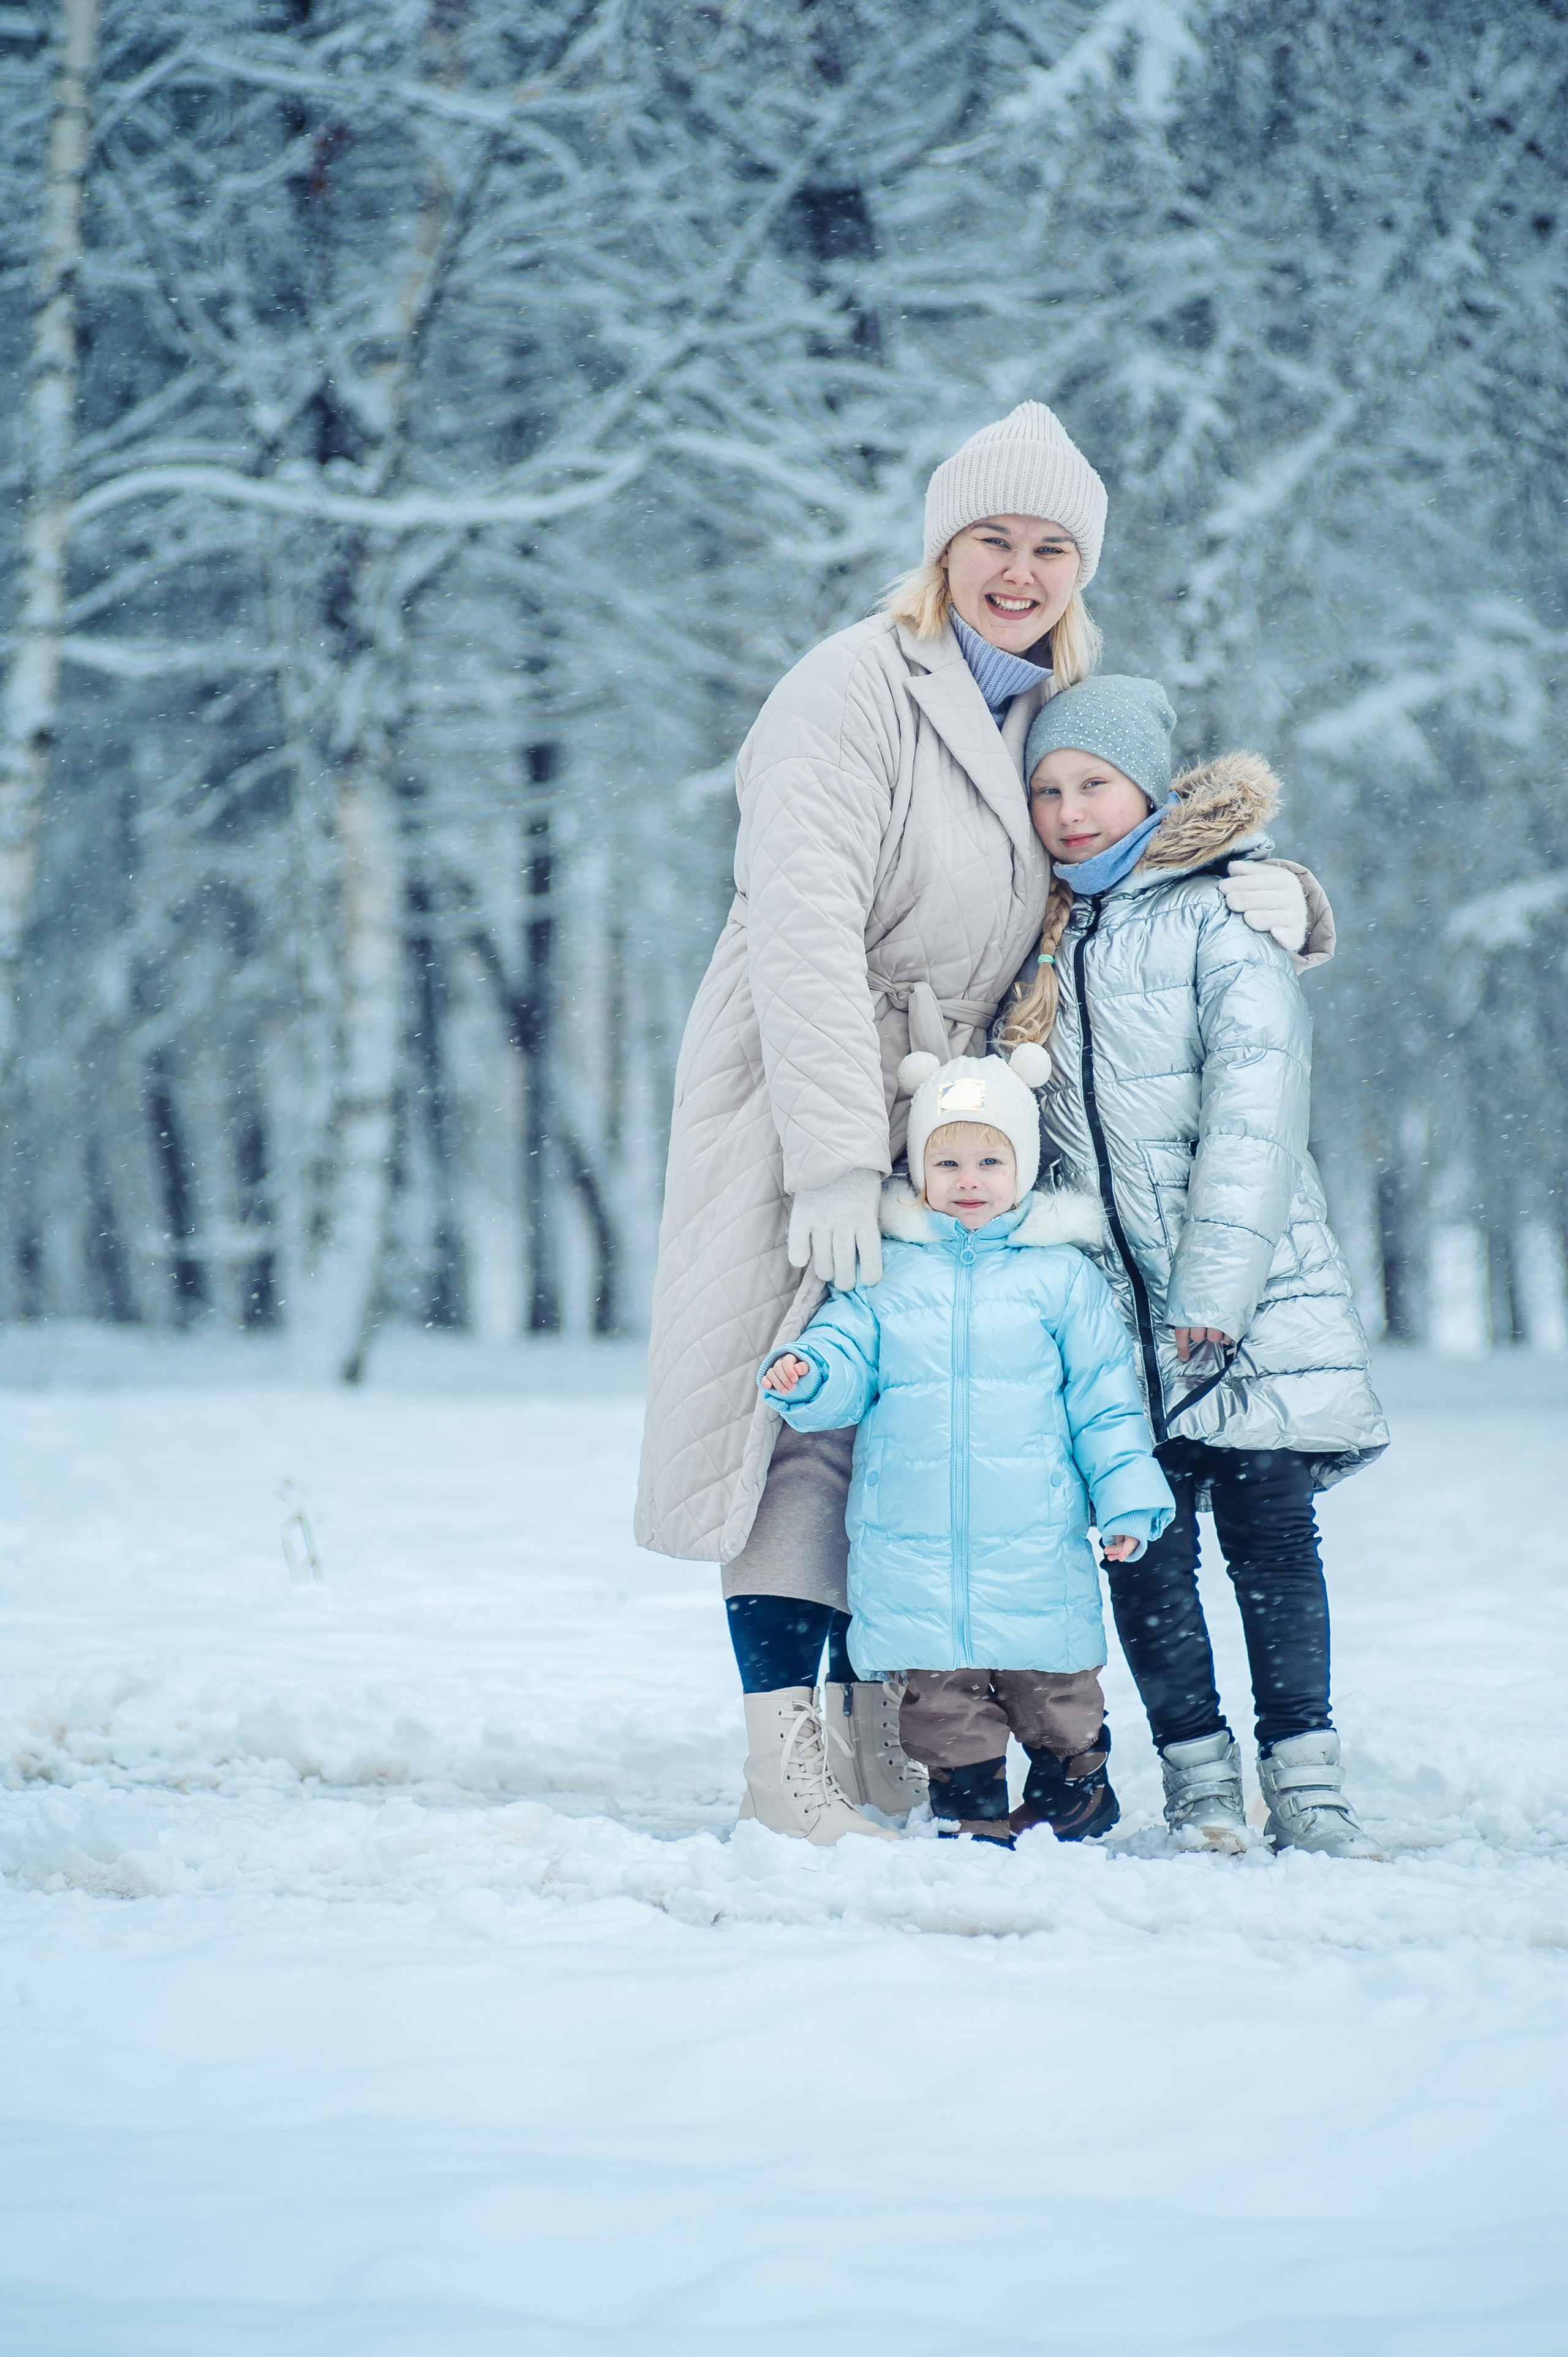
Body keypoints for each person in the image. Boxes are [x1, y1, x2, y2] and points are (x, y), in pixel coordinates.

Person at [635, 401, 1327, 1841]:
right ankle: (790, 1757)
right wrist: (831, 1149)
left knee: (902, 1424)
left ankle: (885, 1734)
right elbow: (803, 920)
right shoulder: (850, 684)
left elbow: (1129, 866)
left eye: (1051, 546)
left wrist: (1289, 902)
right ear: (941, 548)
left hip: (958, 1109)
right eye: (992, 539)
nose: (1019, 568)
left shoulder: (1035, 709)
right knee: (793, 1417)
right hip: (807, 1077)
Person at [998, 675, 1389, 1858]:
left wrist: (1212, 1296)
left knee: (1271, 1541)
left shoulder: (1228, 918)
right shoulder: (1043, 936)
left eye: (1094, 786)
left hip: (1249, 1299)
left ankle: (1308, 1778)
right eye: (1049, 790)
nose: (1071, 812)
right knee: (1147, 1551)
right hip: (1111, 1316)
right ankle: (1201, 1782)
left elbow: (1256, 1118)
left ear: (1151, 791)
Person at [758, 1053, 1174, 1845]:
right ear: (918, 1173)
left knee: (1053, 1689)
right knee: (941, 1700)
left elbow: (1105, 1402)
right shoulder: (884, 1276)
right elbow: (846, 1356)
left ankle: (1076, 1787)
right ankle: (969, 1808)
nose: (969, 1179)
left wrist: (1127, 1496)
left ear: (1023, 1168)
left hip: (1034, 1544)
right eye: (947, 1161)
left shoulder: (1061, 1281)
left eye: (990, 1160)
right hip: (914, 1548)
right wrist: (808, 1372)